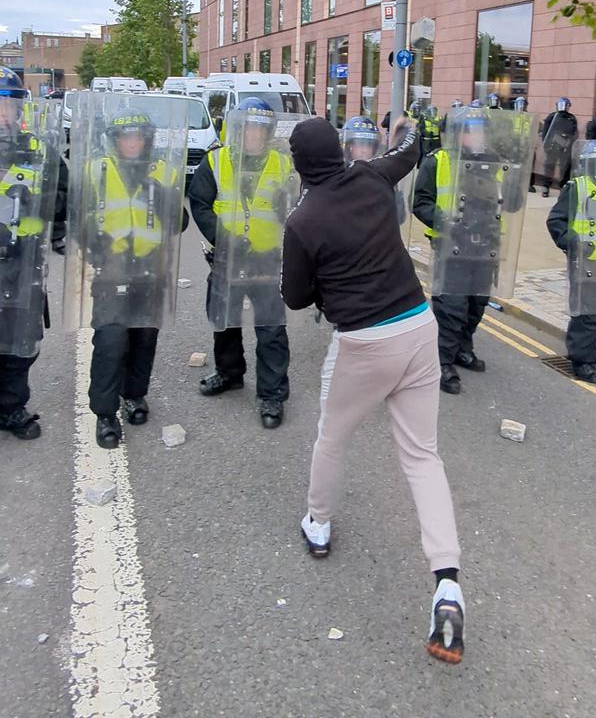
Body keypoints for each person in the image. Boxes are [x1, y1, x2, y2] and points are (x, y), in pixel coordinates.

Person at [281, 116, 465, 665]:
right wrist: (420, 127)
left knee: (332, 438)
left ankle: (319, 523)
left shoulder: (303, 220)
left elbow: (294, 299)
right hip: (417, 326)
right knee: (422, 456)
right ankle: (448, 582)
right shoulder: (370, 177)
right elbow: (408, 153)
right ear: (338, 151)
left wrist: (321, 281)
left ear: (297, 165)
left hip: (364, 343)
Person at [79, 109, 188, 448]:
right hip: (111, 273)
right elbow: (77, 217)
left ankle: (135, 395)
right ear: (114, 140)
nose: (131, 142)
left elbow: (178, 224)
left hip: (150, 271)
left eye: (137, 136)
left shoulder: (164, 172)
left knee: (143, 339)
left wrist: (167, 199)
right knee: (111, 343)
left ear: (147, 139)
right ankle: (105, 412)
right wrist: (92, 243)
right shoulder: (96, 170)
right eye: (125, 136)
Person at [189, 97, 296, 429]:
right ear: (237, 130)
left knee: (271, 330)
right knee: (224, 320)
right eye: (249, 129)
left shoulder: (282, 164)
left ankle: (272, 395)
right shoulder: (216, 161)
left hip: (267, 259)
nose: (255, 135)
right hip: (228, 256)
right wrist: (222, 237)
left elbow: (294, 207)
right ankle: (229, 372)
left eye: (261, 130)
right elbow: (200, 203)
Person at [413, 107, 529, 394]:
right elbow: (421, 202)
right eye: (470, 130)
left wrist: (517, 174)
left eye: (480, 130)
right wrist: (446, 220)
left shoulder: (496, 163)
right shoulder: (438, 161)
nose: (475, 136)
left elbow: (512, 204)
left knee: (476, 305)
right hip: (451, 246)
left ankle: (463, 348)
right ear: (457, 133)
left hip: (486, 245)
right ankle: (442, 362)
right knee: (451, 307)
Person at [0, 69, 67, 440]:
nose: (3, 114)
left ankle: (11, 408)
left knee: (20, 343)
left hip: (21, 262)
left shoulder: (38, 150)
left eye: (9, 105)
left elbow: (65, 195)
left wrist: (41, 202)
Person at [547, 140, 596, 384]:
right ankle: (582, 360)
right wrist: (573, 244)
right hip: (586, 262)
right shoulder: (578, 188)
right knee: (587, 313)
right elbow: (556, 221)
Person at [541, 98, 578, 197]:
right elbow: (546, 132)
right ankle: (546, 187)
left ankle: (563, 187)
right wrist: (546, 144)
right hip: (553, 145)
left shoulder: (571, 118)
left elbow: (574, 133)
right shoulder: (552, 116)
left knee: (564, 168)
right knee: (549, 166)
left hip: (566, 146)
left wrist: (571, 145)